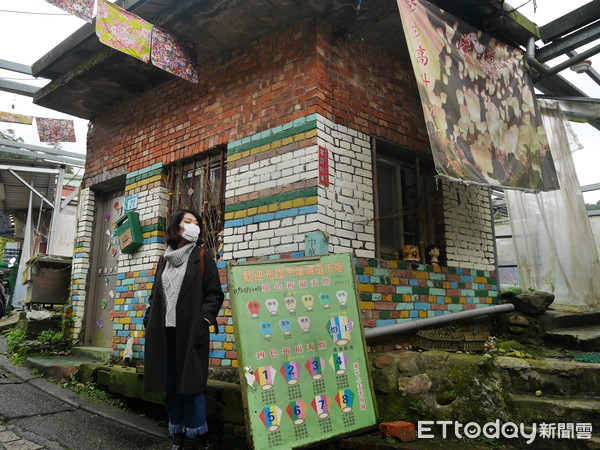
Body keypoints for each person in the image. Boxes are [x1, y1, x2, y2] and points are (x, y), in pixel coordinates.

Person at [143, 209, 224, 449]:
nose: (193, 226)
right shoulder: (164, 259)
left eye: (197, 223)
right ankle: (177, 432)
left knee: (191, 386)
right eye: (188, 221)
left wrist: (203, 322)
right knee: (169, 387)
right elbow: (155, 295)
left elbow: (214, 295)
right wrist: (149, 318)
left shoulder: (202, 256)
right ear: (176, 226)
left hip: (191, 333)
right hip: (164, 333)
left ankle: (194, 437)